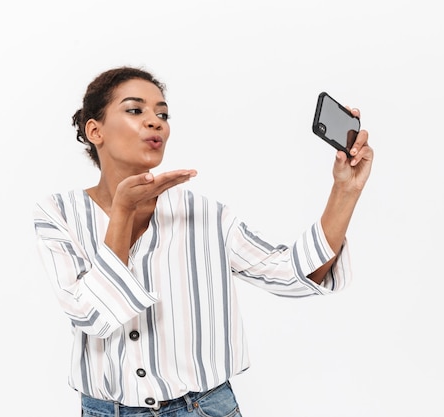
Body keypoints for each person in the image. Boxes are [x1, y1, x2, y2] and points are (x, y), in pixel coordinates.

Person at [33, 66, 373, 417]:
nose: (155, 122)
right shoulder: (58, 214)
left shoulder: (207, 215)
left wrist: (346, 189)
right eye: (136, 110)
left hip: (204, 408)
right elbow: (90, 315)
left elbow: (297, 274)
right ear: (95, 130)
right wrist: (122, 212)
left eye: (162, 114)